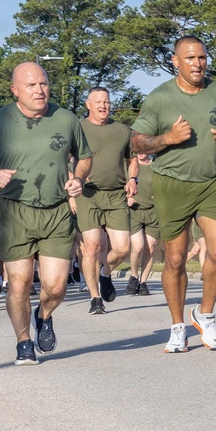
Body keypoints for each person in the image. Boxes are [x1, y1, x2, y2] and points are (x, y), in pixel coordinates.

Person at [0, 62, 91, 366]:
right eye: (32, 85)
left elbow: (84, 158)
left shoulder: (66, 118)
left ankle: (43, 315)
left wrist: (79, 179)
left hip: (57, 212)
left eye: (44, 84)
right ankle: (23, 342)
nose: (39, 90)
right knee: (19, 283)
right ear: (15, 90)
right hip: (15, 213)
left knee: (56, 287)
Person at [130, 35, 216, 353]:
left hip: (212, 184)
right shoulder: (159, 98)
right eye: (191, 58)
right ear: (176, 61)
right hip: (172, 185)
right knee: (176, 259)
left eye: (202, 58)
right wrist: (167, 138)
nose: (198, 63)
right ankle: (177, 326)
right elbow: (137, 142)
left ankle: (205, 314)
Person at [74, 86, 139, 315]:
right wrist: (73, 182)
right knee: (91, 248)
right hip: (87, 194)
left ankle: (105, 274)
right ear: (88, 104)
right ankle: (94, 298)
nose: (103, 105)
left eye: (107, 102)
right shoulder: (78, 128)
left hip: (116, 194)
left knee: (122, 248)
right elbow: (63, 159)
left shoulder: (122, 130)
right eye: (98, 101)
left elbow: (132, 160)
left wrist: (133, 179)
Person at [129, 153, 156, 296]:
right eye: (137, 149)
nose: (140, 152)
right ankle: (134, 276)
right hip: (135, 212)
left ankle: (143, 282)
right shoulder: (130, 165)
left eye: (143, 148)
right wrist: (125, 198)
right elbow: (120, 184)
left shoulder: (156, 164)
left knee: (149, 250)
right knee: (138, 247)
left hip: (153, 212)